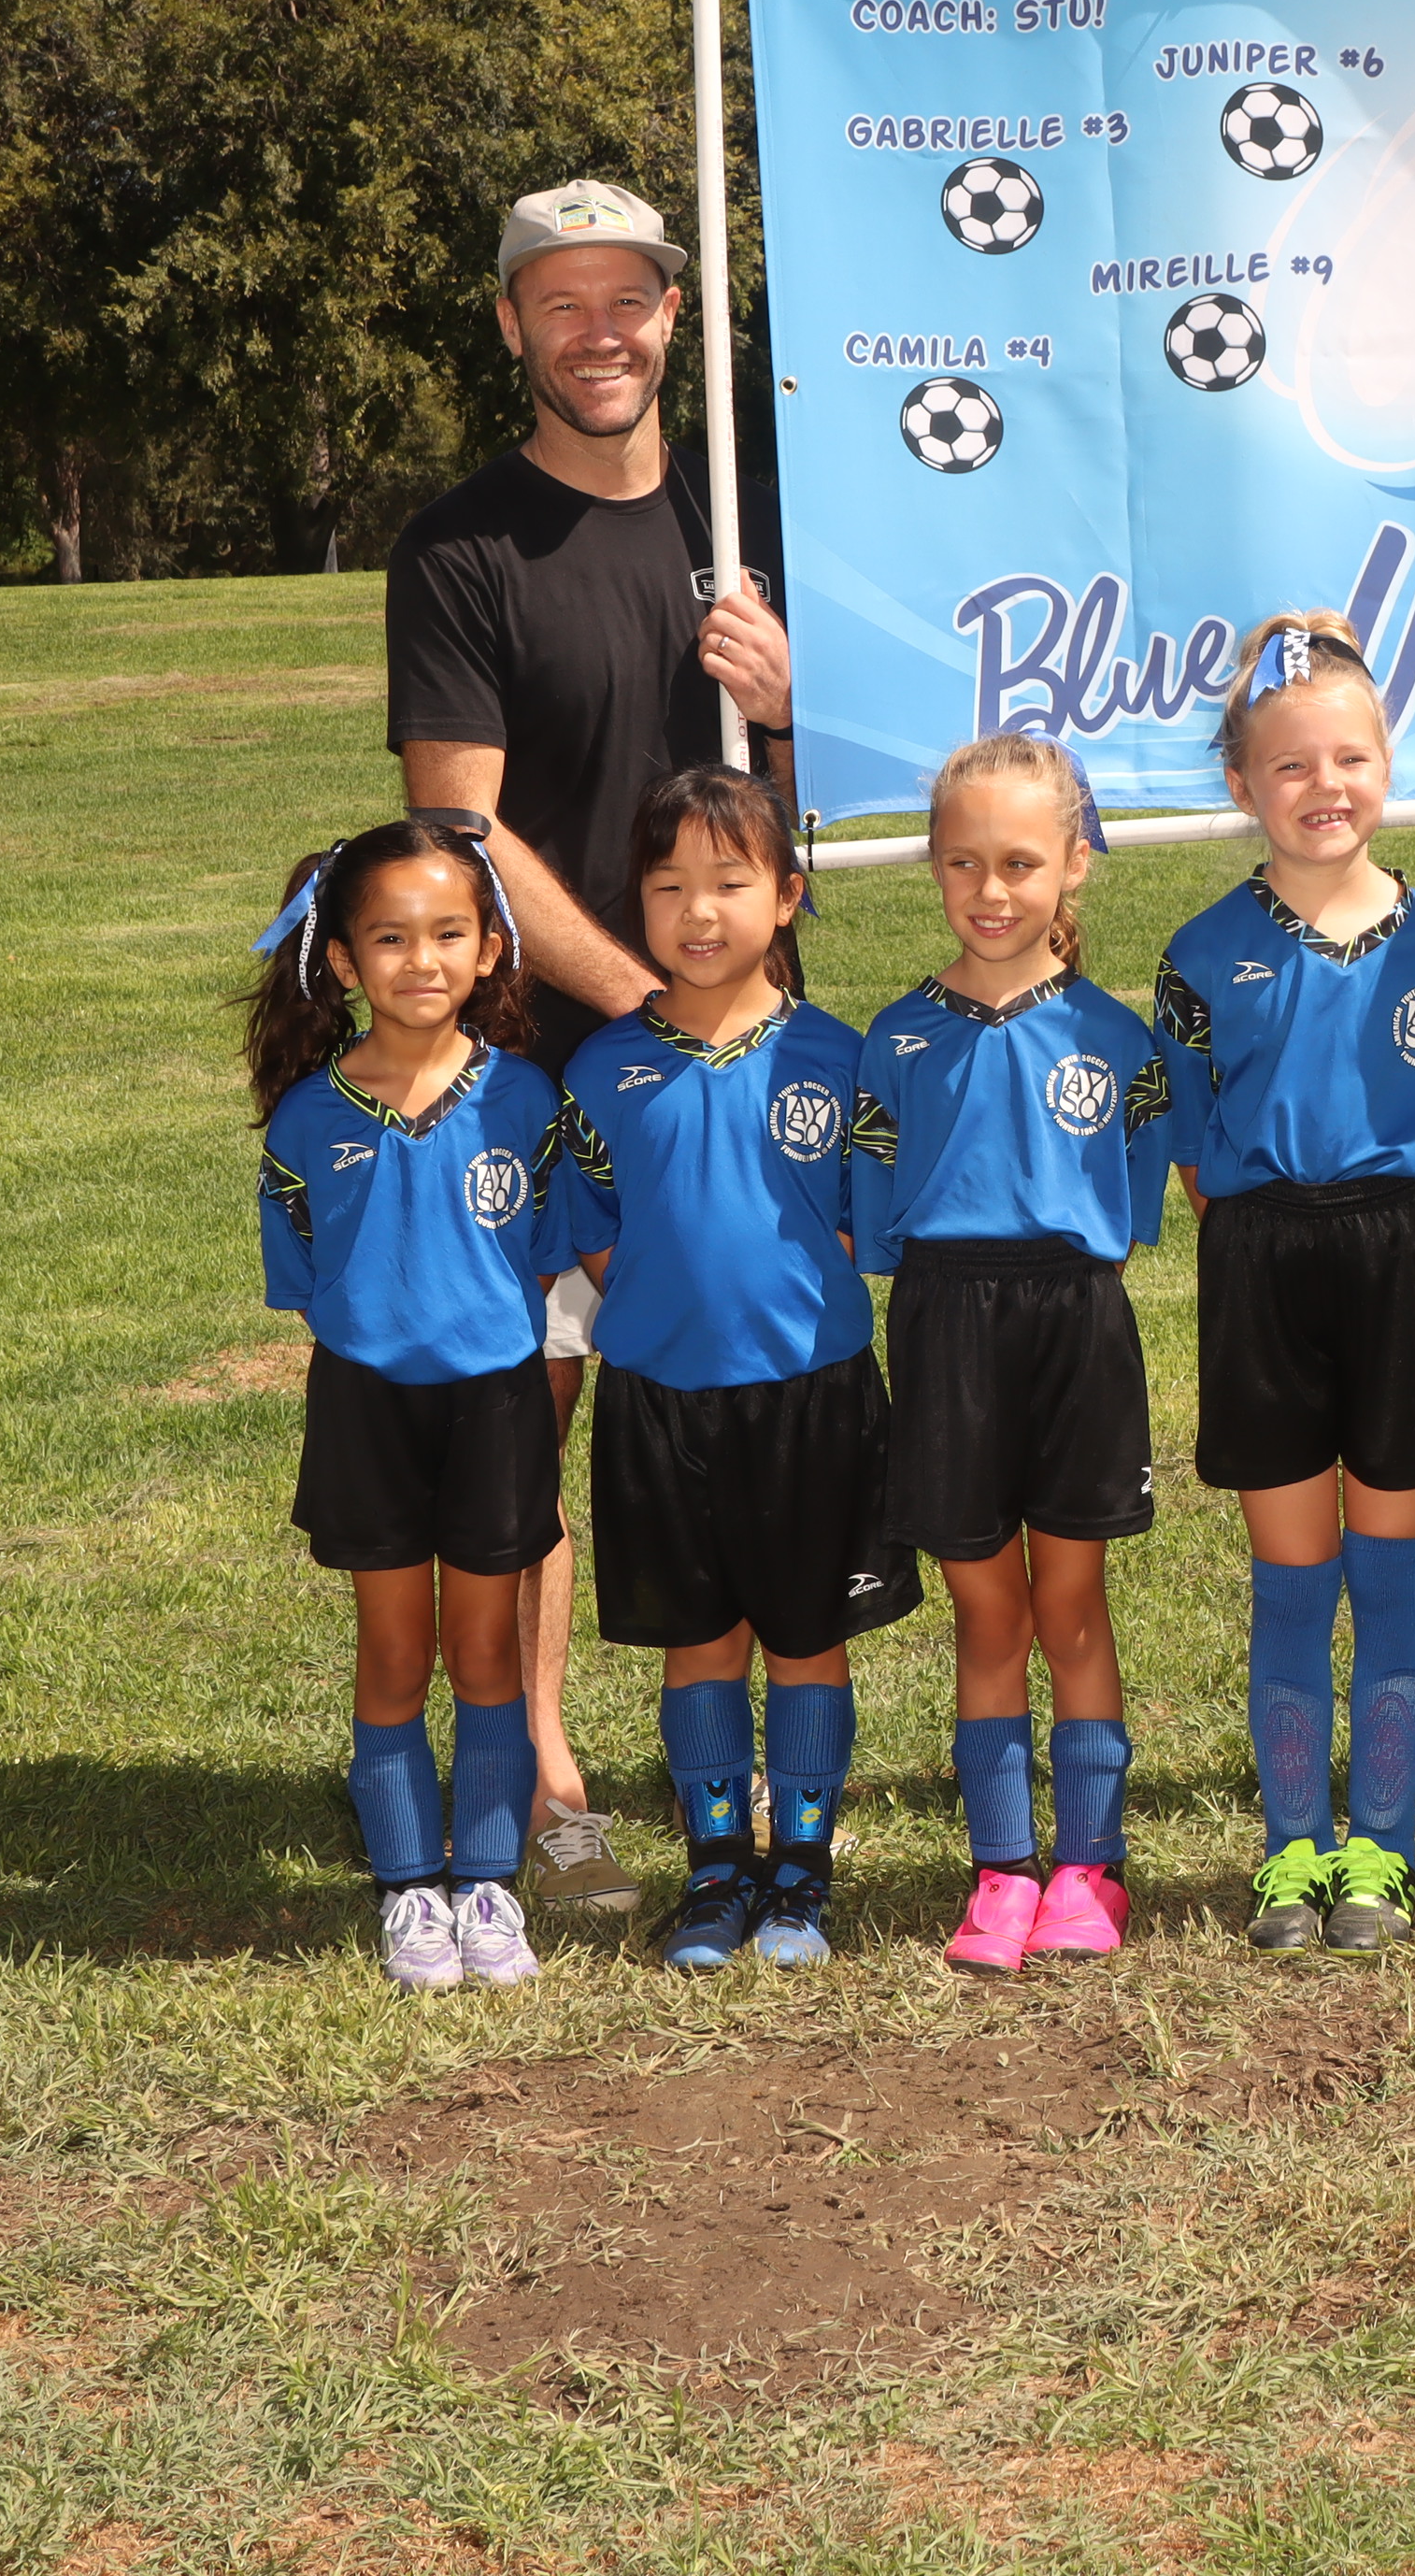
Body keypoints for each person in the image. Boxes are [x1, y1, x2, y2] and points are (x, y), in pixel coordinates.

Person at [385, 176, 800, 1915]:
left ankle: (750, 1761)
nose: (599, 331)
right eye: (561, 302)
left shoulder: (747, 519)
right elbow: (460, 828)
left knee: (746, 1393)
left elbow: (849, 786)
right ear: (510, 326)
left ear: (674, 319)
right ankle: (546, 1778)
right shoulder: (461, 548)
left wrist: (790, 702)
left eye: (629, 297)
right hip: (550, 1063)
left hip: (751, 1052)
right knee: (527, 1428)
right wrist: (644, 1009)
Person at [1152, 616, 1415, 1956]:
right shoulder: (1200, 952)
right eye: (1290, 765)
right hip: (1263, 1266)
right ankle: (1294, 1848)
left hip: (1404, 1259)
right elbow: (1194, 1152)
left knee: (1392, 1568)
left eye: (1349, 757)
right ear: (1243, 784)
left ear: (1388, 765)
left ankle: (1383, 1851)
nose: (1323, 785)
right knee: (1293, 1577)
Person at [240, 818, 594, 1993]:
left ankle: (487, 1881)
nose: (421, 960)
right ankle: (409, 1889)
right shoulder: (308, 1119)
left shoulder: (525, 1099)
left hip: (496, 1404)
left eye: (448, 933)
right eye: (389, 938)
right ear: (343, 960)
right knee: (393, 1651)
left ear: (490, 948)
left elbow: (548, 1250)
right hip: (367, 1409)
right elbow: (304, 1272)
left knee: (485, 1650)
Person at [848, 734, 1171, 1973]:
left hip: (1075, 1326)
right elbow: (876, 1219)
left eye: (1022, 862)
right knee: (988, 1612)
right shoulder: (894, 1041)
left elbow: (1131, 1208)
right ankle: (1000, 1870)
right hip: (946, 1327)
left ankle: (1089, 1867)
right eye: (964, 862)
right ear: (932, 865)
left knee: (1072, 1604)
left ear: (1074, 864)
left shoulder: (1115, 1039)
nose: (991, 890)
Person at [560, 766, 881, 1971]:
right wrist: (667, 1299)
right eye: (669, 885)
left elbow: (859, 1218)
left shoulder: (839, 1057)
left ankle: (800, 1868)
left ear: (787, 894)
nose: (699, 911)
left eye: (730, 882)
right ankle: (715, 1866)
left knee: (805, 1636)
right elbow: (596, 1228)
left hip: (811, 1394)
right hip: (661, 1398)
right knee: (698, 1640)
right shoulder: (602, 1071)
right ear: (637, 902)